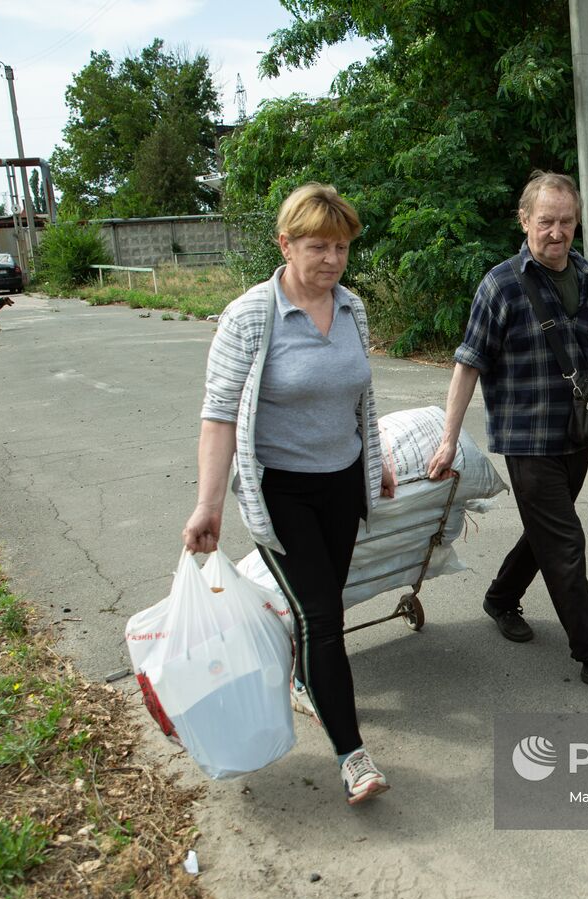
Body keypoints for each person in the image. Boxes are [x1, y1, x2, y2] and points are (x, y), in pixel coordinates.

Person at [182, 183, 396, 806]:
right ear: (285, 244)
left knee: (325, 606)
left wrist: (372, 459)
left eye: (340, 247)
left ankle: (306, 674)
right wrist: (210, 505)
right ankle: (353, 757)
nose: (331, 259)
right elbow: (219, 416)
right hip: (282, 492)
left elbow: (359, 391)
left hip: (342, 484)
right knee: (324, 619)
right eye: (316, 246)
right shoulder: (252, 315)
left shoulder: (351, 307)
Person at [426, 170, 588, 695]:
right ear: (525, 219)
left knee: (547, 530)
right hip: (526, 437)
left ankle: (501, 597)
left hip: (576, 432)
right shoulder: (501, 284)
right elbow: (469, 364)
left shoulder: (585, 275)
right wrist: (449, 437)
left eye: (567, 222)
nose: (557, 233)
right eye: (546, 221)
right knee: (564, 542)